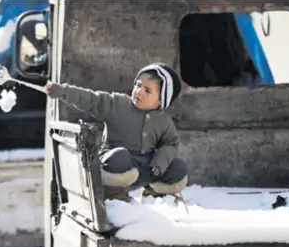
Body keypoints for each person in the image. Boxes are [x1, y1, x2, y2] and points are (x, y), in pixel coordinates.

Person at [46, 63, 188, 202]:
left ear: (161, 101)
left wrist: (160, 161)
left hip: (146, 168)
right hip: (117, 165)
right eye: (138, 85)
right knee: (120, 156)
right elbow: (92, 100)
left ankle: (153, 193)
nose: (138, 92)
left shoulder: (163, 120)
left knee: (178, 168)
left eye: (147, 90)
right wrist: (63, 91)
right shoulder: (118, 104)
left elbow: (171, 143)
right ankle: (114, 194)